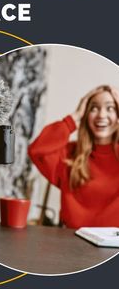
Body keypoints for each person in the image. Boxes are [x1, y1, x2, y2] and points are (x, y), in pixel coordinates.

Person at [28, 85, 119, 228]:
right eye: (94, 108)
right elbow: (37, 150)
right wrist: (73, 117)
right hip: (72, 241)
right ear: (85, 114)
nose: (101, 115)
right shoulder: (70, 154)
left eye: (110, 108)